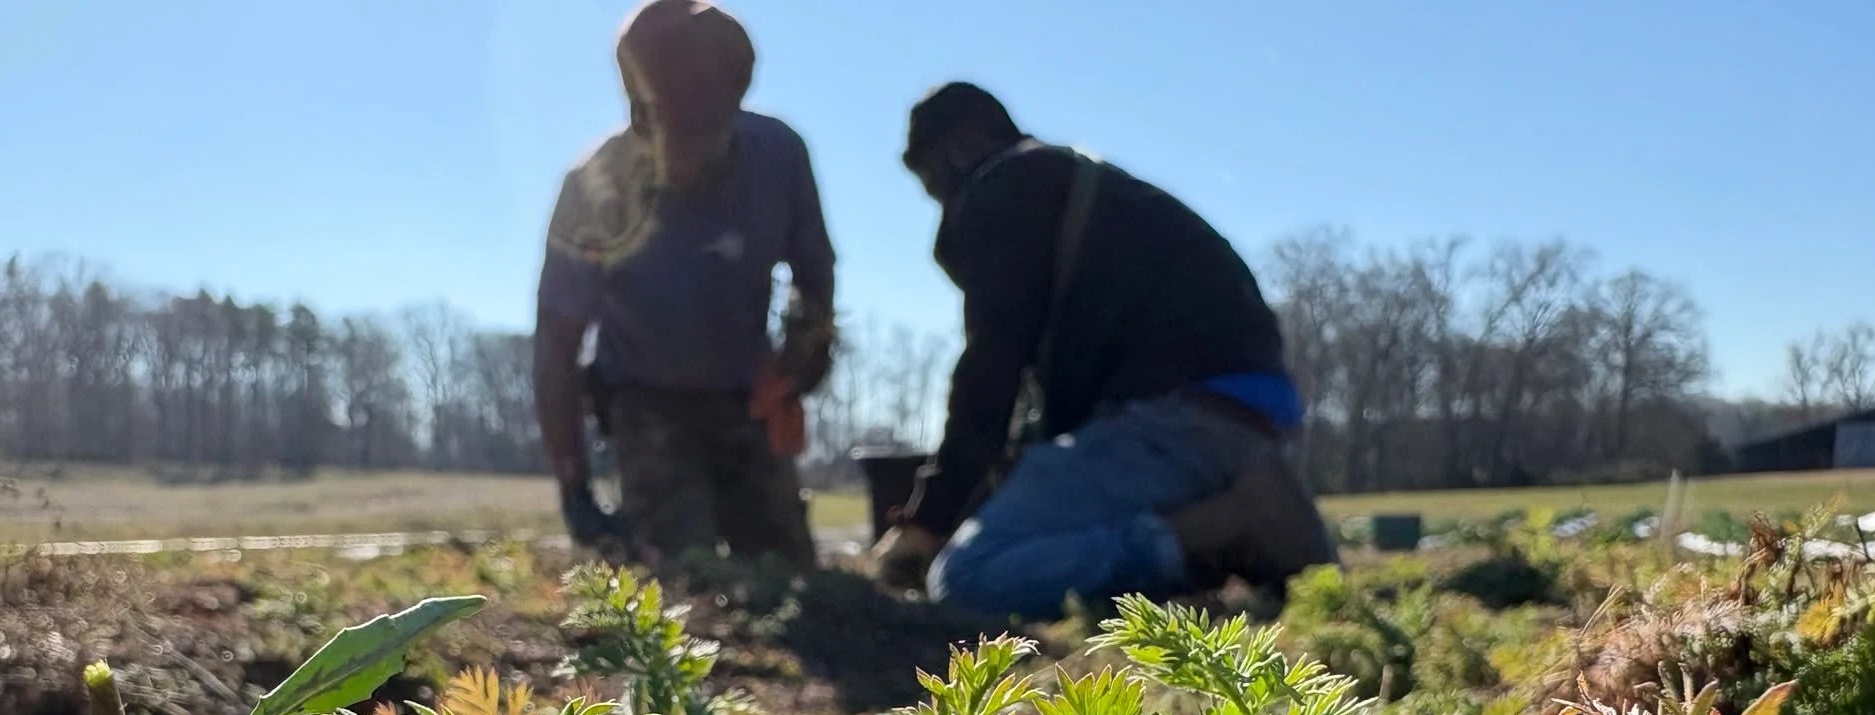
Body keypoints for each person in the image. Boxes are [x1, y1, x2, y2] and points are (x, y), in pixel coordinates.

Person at [873, 83, 1335, 619]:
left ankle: (1228, 526)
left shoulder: (1005, 186)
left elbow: (990, 367)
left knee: (968, 575)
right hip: (1251, 424)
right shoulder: (1084, 191)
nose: (938, 201)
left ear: (956, 150)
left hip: (1172, 422)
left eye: (930, 181)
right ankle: (1227, 528)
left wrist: (932, 518)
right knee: (1067, 524)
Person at [534, 0, 836, 568]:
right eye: (659, 110)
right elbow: (557, 342)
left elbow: (815, 273)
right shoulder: (593, 188)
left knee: (788, 574)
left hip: (747, 395)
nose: (678, 134)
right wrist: (574, 490)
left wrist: (803, 355)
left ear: (735, 94)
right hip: (644, 399)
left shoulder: (778, 157)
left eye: (699, 111)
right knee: (682, 574)